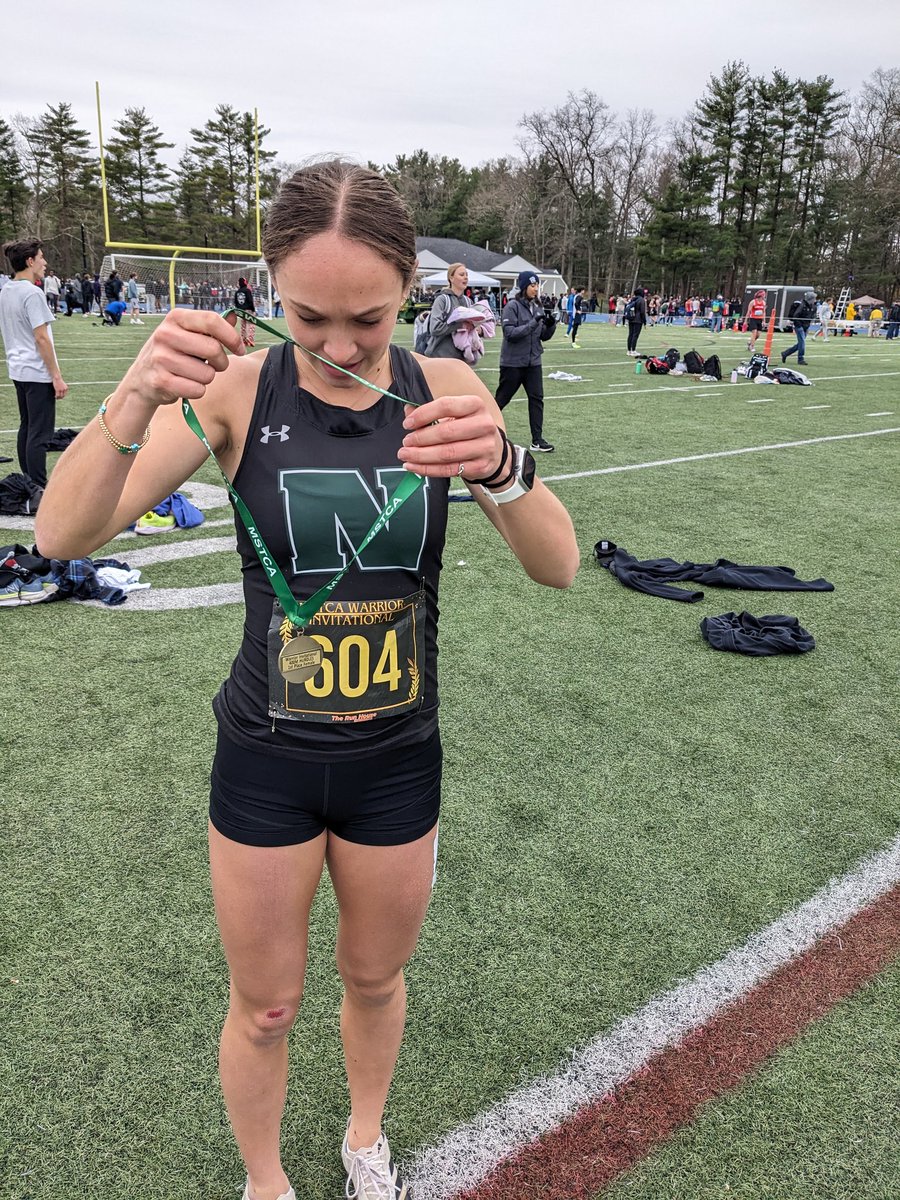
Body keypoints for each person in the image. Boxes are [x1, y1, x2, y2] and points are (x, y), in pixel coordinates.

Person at [34, 159, 579, 1200]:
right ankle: (264, 1181)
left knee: (374, 980)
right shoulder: (238, 391)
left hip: (395, 760)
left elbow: (555, 567)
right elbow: (63, 531)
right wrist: (140, 392)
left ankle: (364, 1140)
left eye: (367, 319)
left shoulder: (450, 388)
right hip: (266, 762)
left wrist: (504, 466)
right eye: (309, 316)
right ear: (269, 291)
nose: (337, 346)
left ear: (413, 288)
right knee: (267, 1007)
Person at [0, 239, 68, 488]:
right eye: (41, 257)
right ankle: (39, 487)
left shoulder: (6, 289)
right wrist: (56, 376)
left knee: (27, 426)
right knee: (39, 432)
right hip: (36, 371)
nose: (45, 262)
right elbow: (41, 338)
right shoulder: (32, 292)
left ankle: (30, 483)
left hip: (18, 369)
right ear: (30, 261)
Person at [494, 269, 557, 453]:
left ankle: (537, 440)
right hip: (513, 363)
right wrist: (532, 323)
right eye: (532, 285)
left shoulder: (537, 306)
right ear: (523, 287)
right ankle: (485, 431)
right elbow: (510, 334)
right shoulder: (512, 307)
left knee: (537, 399)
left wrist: (550, 326)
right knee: (501, 400)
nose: (536, 289)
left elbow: (542, 336)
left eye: (537, 285)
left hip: (533, 362)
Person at [423, 262, 470, 359]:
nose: (465, 277)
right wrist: (460, 325)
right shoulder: (442, 300)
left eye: (466, 275)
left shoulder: (468, 301)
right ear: (451, 278)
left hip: (461, 359)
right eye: (461, 275)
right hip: (439, 357)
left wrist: (479, 328)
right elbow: (435, 328)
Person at [782, 289, 817, 366]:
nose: (815, 300)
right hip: (799, 326)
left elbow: (812, 316)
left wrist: (809, 325)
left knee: (800, 344)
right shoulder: (802, 305)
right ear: (810, 298)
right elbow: (795, 316)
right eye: (814, 298)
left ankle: (785, 353)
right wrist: (799, 325)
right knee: (802, 343)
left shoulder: (814, 307)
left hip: (806, 326)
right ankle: (800, 359)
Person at [233, 276, 256, 347]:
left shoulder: (237, 292)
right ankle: (250, 339)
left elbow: (236, 302)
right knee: (250, 324)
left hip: (241, 310)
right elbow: (250, 300)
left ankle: (243, 339)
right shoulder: (247, 290)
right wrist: (253, 309)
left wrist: (239, 310)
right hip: (248, 309)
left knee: (243, 325)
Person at [624, 287, 647, 356]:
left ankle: (629, 350)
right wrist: (644, 321)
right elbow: (642, 312)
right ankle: (633, 350)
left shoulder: (633, 299)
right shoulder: (641, 300)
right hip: (638, 320)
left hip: (631, 318)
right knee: (635, 335)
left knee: (630, 334)